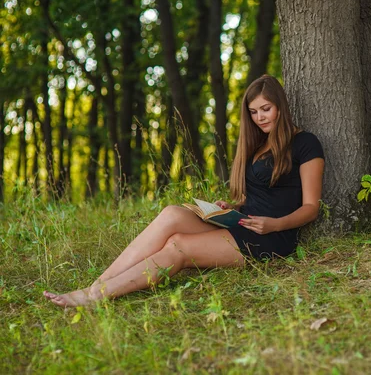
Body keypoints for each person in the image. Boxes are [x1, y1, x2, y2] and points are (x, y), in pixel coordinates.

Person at [43, 75, 325, 307]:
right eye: (253, 112)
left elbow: (311, 207)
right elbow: (257, 197)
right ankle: (96, 285)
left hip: (273, 238)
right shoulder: (257, 145)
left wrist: (275, 224)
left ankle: (96, 297)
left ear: (281, 106)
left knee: (179, 246)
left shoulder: (305, 143)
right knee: (172, 215)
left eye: (266, 109)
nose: (260, 117)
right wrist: (230, 208)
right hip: (242, 223)